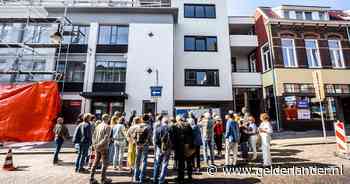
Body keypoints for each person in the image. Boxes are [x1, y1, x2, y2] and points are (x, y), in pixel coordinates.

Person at [90, 114, 112, 184]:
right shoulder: (107, 127)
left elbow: (93, 136)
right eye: (109, 118)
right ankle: (103, 179)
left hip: (97, 146)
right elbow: (106, 138)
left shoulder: (98, 126)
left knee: (96, 162)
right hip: (103, 147)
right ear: (107, 118)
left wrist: (95, 144)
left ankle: (91, 178)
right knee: (105, 163)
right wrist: (99, 144)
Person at [171, 116, 194, 184]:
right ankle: (189, 176)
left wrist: (173, 147)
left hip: (179, 147)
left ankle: (181, 178)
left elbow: (173, 138)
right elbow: (192, 135)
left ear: (177, 120)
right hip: (188, 146)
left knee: (181, 163)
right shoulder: (188, 125)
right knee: (189, 162)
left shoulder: (175, 126)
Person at [133, 114, 152, 183]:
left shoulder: (138, 126)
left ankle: (135, 177)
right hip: (145, 145)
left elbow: (134, 136)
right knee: (144, 161)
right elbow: (149, 137)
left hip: (138, 145)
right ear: (148, 119)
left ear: (142, 119)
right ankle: (142, 177)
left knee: (137, 161)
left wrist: (137, 144)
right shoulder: (148, 127)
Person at [153, 116, 172, 184]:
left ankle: (155, 179)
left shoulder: (158, 129)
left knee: (157, 163)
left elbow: (156, 140)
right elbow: (172, 139)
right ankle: (161, 180)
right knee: (165, 164)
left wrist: (159, 147)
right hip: (168, 149)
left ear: (162, 122)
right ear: (168, 122)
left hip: (159, 148)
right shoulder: (170, 129)